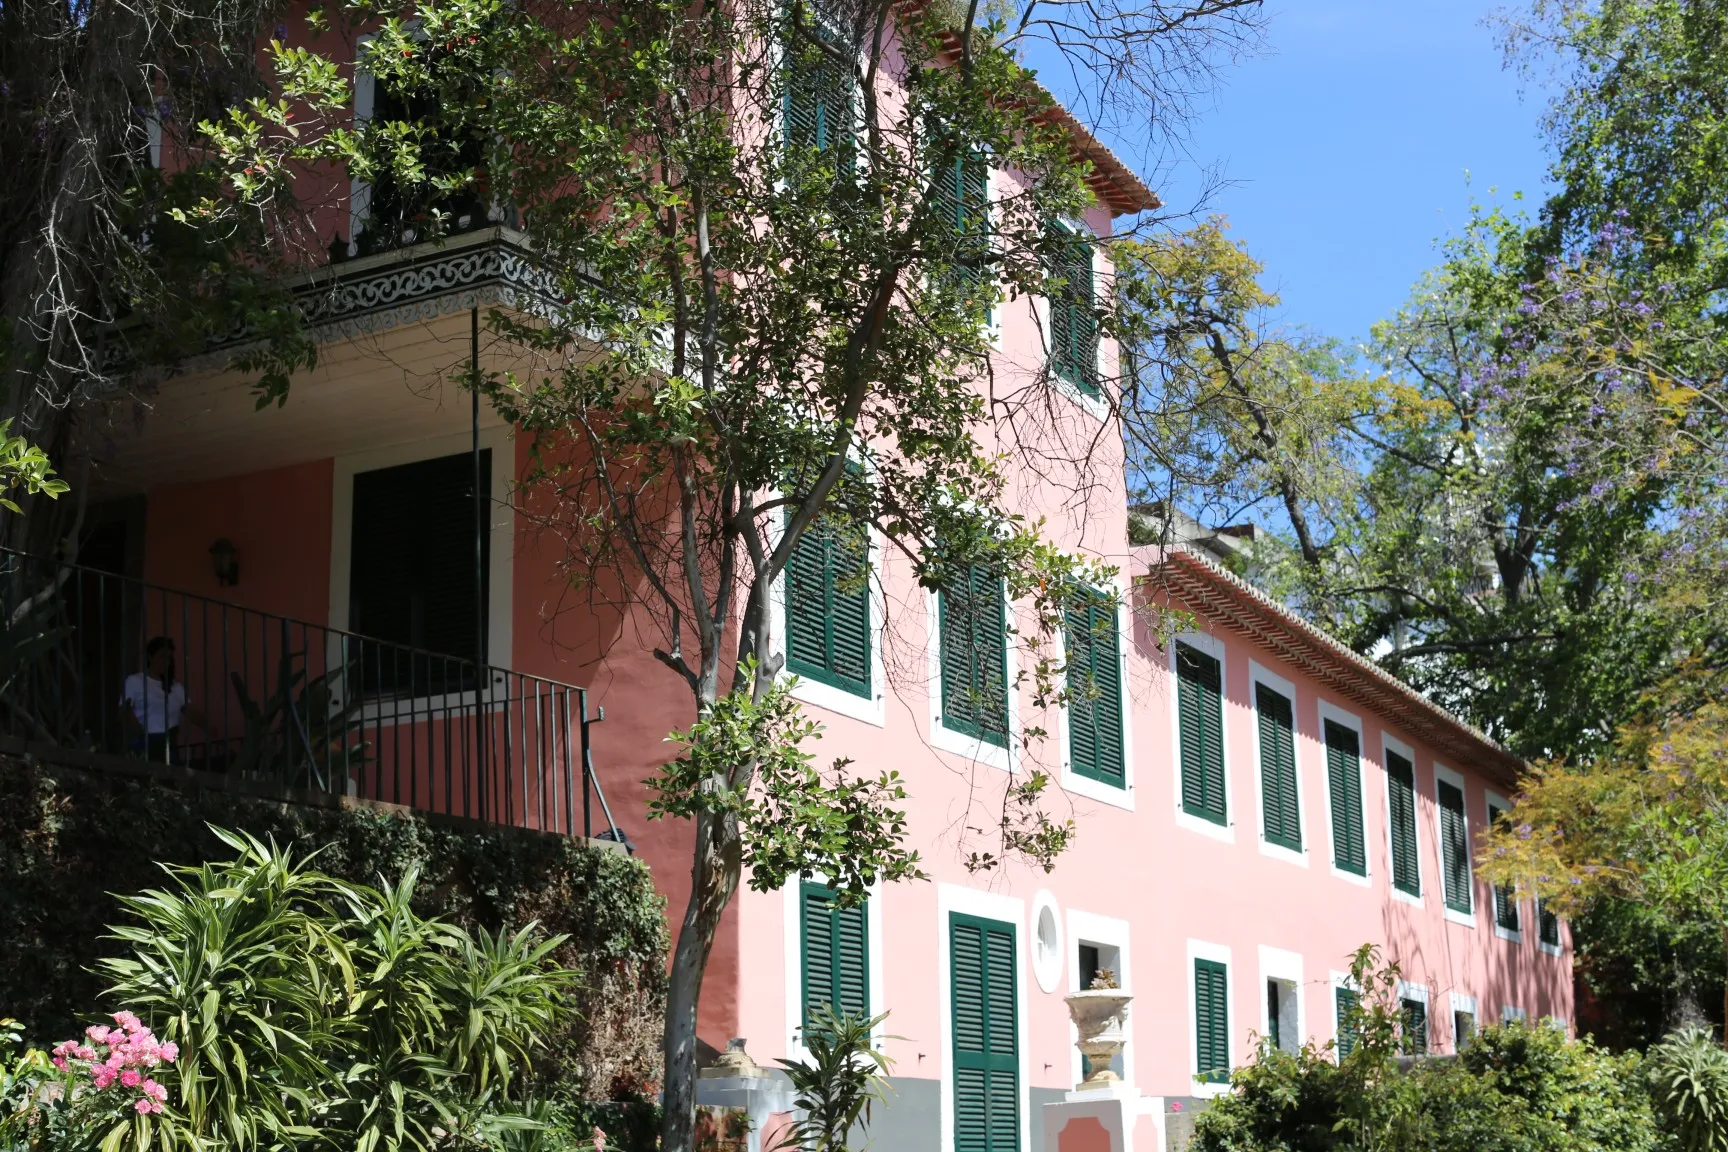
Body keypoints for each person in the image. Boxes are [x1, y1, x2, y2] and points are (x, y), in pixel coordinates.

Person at [120, 637, 207, 764]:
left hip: (168, 745)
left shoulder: (176, 687)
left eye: (169, 658)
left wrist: (207, 725)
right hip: (143, 743)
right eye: (162, 657)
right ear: (150, 657)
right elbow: (124, 711)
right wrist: (140, 733)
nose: (166, 662)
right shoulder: (135, 682)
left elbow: (189, 711)